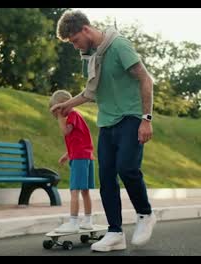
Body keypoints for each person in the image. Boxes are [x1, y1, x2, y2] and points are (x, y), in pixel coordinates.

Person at [51, 10, 156, 252]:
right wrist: (67, 104)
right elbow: (91, 92)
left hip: (131, 117)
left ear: (86, 30)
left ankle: (145, 214)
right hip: (107, 122)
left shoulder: (119, 46)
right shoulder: (91, 56)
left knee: (127, 168)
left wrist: (146, 119)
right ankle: (115, 232)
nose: (76, 47)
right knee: (107, 177)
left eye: (75, 40)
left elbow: (145, 79)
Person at [49, 90, 96, 233]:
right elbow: (78, 140)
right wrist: (67, 154)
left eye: (59, 109)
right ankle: (87, 220)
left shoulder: (73, 115)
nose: (58, 113)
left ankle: (73, 222)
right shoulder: (76, 117)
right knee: (84, 191)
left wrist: (59, 117)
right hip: (85, 156)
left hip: (80, 158)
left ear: (65, 105)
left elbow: (66, 132)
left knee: (74, 191)